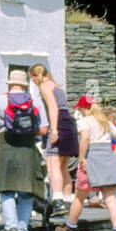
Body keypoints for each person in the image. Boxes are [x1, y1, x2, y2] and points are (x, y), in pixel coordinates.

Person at [0, 69, 49, 231]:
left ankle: (11, 227)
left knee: (7, 190)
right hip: (27, 148)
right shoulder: (35, 103)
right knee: (26, 193)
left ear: (9, 84)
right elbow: (43, 130)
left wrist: (0, 127)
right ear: (26, 85)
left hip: (6, 146)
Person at [56, 98, 116, 231]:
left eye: (80, 108)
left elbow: (85, 138)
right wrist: (113, 156)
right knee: (111, 199)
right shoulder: (105, 122)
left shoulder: (84, 121)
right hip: (107, 158)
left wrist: (81, 157)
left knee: (79, 197)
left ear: (83, 108)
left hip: (91, 159)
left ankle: (70, 229)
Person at [29, 63, 74, 208]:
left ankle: (57, 199)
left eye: (33, 79)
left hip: (58, 123)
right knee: (64, 167)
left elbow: (53, 108)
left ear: (37, 76)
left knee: (52, 164)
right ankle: (68, 200)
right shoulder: (57, 85)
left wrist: (54, 130)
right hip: (68, 123)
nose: (34, 82)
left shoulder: (45, 86)